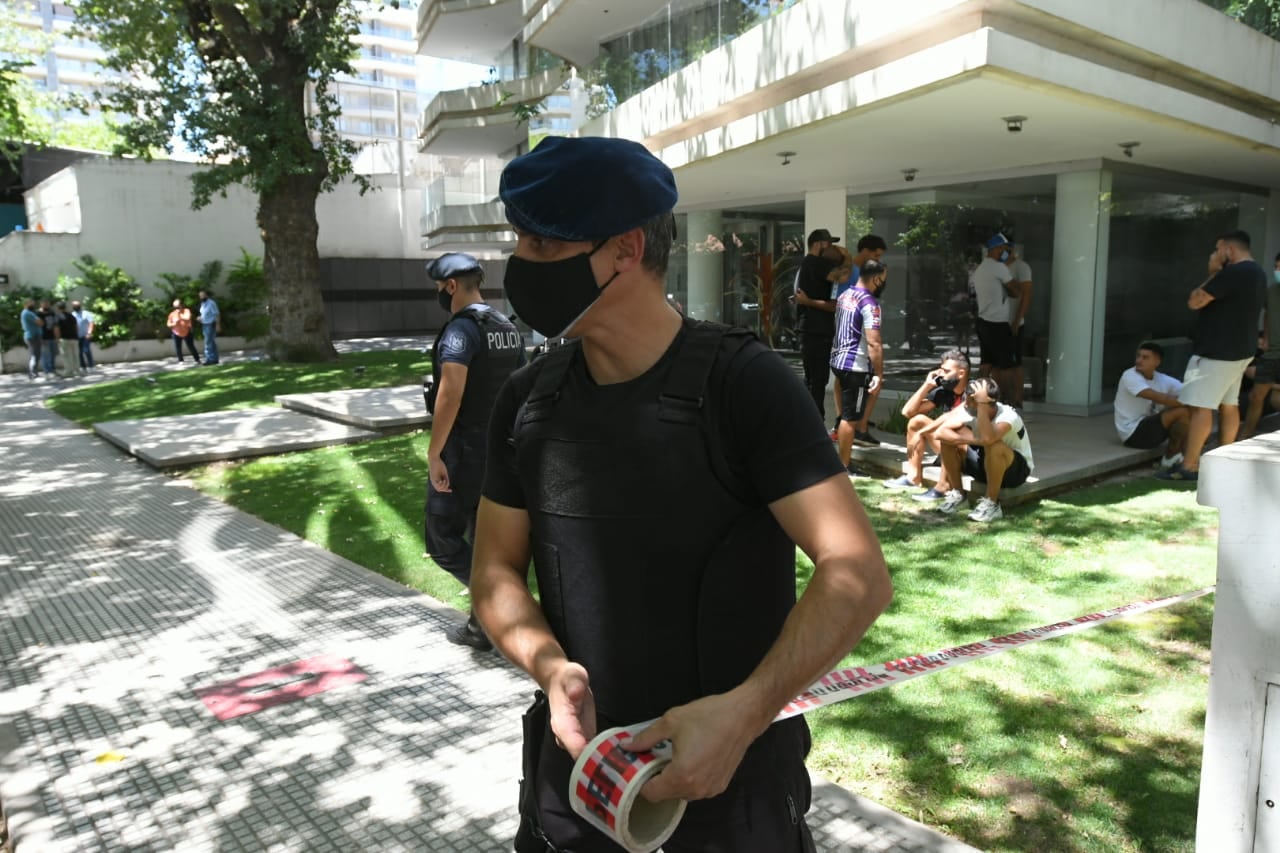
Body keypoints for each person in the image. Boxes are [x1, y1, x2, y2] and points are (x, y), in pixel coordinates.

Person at [472, 136, 892, 853]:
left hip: (734, 796)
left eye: (541, 244)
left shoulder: (745, 385)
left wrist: (743, 715)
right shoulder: (528, 401)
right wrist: (549, 666)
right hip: (576, 791)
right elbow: (494, 573)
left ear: (626, 249)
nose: (519, 265)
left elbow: (857, 575)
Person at [423, 251, 524, 651]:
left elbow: (450, 392)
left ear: (450, 286)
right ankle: (483, 625)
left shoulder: (461, 331)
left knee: (442, 540)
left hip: (464, 452)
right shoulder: (505, 326)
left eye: (437, 288)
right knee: (484, 539)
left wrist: (435, 453)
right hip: (501, 448)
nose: (438, 295)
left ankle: (501, 604)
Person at [1158, 230, 1267, 482]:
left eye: (1218, 249)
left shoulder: (1232, 272)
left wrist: (1213, 272)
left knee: (1200, 407)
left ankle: (1190, 465)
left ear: (1228, 250)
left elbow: (1195, 301)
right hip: (1240, 351)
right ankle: (1225, 459)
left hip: (1216, 352)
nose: (1215, 254)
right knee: (1230, 405)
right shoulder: (1257, 272)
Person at [930, 377, 1034, 522]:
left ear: (983, 401)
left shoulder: (1009, 416)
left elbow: (989, 438)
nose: (965, 403)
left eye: (970, 398)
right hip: (986, 464)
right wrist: (974, 440)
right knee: (948, 441)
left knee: (994, 445)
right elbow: (940, 433)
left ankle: (992, 504)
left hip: (1015, 472)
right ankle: (959, 496)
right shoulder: (969, 410)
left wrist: (981, 407)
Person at [882, 349, 971, 494]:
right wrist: (927, 385)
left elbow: (956, 420)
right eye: (941, 370)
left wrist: (925, 432)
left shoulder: (973, 391)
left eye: (946, 371)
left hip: (969, 451)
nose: (941, 374)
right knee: (917, 421)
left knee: (951, 430)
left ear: (961, 373)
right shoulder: (944, 391)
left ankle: (945, 485)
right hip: (947, 446)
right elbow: (907, 412)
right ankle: (913, 478)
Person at [830, 259, 887, 470]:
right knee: (850, 419)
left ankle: (843, 460)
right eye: (883, 280)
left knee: (846, 412)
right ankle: (844, 465)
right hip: (856, 365)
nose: (883, 284)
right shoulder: (870, 304)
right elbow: (874, 342)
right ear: (875, 279)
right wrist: (879, 374)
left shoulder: (845, 295)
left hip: (838, 360)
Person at [1114, 342, 1189, 467]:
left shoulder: (1162, 378)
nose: (1139, 360)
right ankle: (1171, 457)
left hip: (1152, 430)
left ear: (1157, 362)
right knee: (1183, 411)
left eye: (1145, 357)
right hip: (1133, 434)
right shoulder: (1129, 376)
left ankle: (1183, 454)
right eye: (1138, 356)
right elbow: (1158, 397)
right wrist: (1191, 403)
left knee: (1191, 411)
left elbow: (1187, 391)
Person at [793, 228, 839, 424]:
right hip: (816, 330)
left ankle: (808, 419)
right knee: (817, 379)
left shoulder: (807, 264)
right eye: (829, 244)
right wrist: (846, 258)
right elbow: (841, 277)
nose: (832, 248)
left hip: (811, 329)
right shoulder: (817, 263)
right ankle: (814, 422)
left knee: (813, 378)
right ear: (819, 244)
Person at [972, 234, 1021, 405]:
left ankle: (975, 399)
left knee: (987, 363)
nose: (1006, 252)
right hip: (997, 324)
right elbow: (1016, 291)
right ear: (997, 249)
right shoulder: (999, 268)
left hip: (983, 322)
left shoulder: (982, 268)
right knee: (1007, 365)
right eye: (1005, 249)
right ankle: (1010, 404)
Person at [1241, 252, 1280, 440]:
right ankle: (1245, 437)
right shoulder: (1271, 291)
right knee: (1256, 396)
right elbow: (1267, 314)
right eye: (1277, 267)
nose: (1278, 271)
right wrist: (1265, 337)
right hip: (1272, 353)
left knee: (1275, 399)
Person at [1006, 244, 1033, 408]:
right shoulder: (996, 267)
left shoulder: (1021, 267)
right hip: (997, 321)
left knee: (1015, 362)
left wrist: (1017, 320)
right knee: (999, 363)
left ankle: (1017, 399)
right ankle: (1002, 396)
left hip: (1013, 323)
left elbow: (1026, 295)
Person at [167, 299, 202, 363]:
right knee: (178, 347)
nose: (176, 308)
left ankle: (197, 359)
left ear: (181, 305)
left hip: (187, 331)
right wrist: (174, 324)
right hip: (176, 333)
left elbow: (187, 318)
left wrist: (179, 315)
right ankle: (181, 360)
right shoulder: (171, 314)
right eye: (175, 307)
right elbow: (168, 324)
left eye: (177, 306)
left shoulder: (186, 311)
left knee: (191, 346)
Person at [54, 301, 80, 378]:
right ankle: (77, 370)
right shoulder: (72, 316)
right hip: (74, 338)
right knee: (75, 355)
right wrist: (76, 335)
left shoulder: (58, 316)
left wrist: (57, 338)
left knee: (66, 355)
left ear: (58, 308)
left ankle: (69, 371)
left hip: (64, 338)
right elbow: (76, 327)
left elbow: (56, 328)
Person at [20, 298, 44, 380]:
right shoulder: (28, 313)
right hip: (33, 336)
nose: (33, 305)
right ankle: (33, 373)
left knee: (35, 354)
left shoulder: (27, 313)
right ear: (26, 304)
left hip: (32, 336)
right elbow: (40, 323)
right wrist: (40, 320)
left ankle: (34, 372)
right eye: (31, 304)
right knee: (35, 354)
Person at [197, 289, 221, 365]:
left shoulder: (211, 303)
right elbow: (205, 314)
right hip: (204, 324)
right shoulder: (203, 304)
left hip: (210, 324)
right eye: (200, 296)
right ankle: (214, 359)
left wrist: (218, 325)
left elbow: (217, 314)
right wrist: (200, 318)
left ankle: (210, 359)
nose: (201, 297)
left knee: (208, 343)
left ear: (206, 295)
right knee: (211, 342)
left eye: (203, 295)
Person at [71, 301, 95, 370]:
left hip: (86, 335)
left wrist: (89, 333)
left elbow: (91, 323)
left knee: (86, 350)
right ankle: (82, 366)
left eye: (77, 305)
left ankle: (91, 365)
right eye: (74, 306)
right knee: (79, 352)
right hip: (77, 336)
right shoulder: (72, 315)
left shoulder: (86, 314)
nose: (76, 307)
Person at [38, 299, 57, 377]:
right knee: (45, 354)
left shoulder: (52, 313)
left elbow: (55, 325)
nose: (46, 305)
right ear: (41, 305)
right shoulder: (38, 314)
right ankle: (47, 371)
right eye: (45, 304)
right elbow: (37, 326)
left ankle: (52, 369)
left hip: (52, 336)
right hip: (43, 337)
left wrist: (56, 336)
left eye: (47, 304)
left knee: (53, 354)